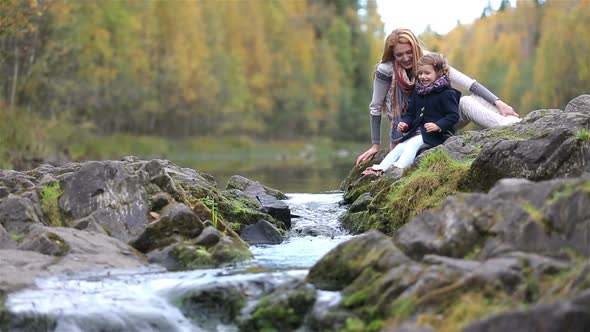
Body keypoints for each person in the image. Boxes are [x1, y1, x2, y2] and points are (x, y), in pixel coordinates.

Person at [355, 28, 520, 167]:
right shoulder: (385, 70)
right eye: (399, 55)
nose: (405, 58)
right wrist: (375, 146)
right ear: (392, 55)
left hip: (441, 121)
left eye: (409, 52)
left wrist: (499, 102)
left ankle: (511, 125)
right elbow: (375, 107)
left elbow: (469, 83)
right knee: (467, 101)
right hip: (412, 129)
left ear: (415, 47)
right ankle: (512, 126)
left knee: (468, 100)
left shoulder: (429, 60)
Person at [362, 53, 459, 175]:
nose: (423, 77)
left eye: (427, 73)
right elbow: (410, 114)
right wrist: (405, 124)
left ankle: (399, 167)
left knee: (413, 143)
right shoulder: (419, 92)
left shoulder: (447, 93)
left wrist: (438, 125)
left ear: (439, 73)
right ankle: (381, 168)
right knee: (400, 146)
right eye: (420, 73)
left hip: (437, 135)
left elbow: (453, 116)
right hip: (418, 132)